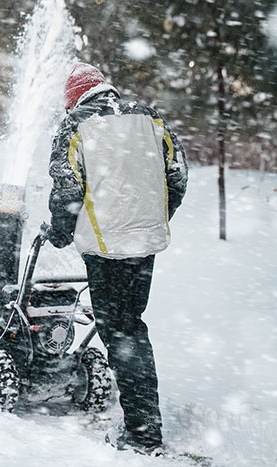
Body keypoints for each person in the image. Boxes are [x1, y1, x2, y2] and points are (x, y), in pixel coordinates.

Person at [47, 63, 188, 455]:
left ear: (74, 97)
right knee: (132, 326)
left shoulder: (75, 125)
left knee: (120, 332)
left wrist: (59, 232)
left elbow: (66, 189)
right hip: (144, 246)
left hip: (105, 248)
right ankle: (145, 424)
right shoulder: (148, 117)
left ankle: (143, 435)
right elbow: (178, 175)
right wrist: (153, 218)